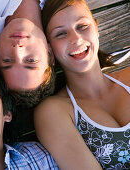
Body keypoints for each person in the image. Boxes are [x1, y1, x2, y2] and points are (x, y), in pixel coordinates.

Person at [34, 0, 130, 169]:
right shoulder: (55, 112)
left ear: (96, 28)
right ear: (49, 50)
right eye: (61, 34)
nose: (76, 39)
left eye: (82, 26)